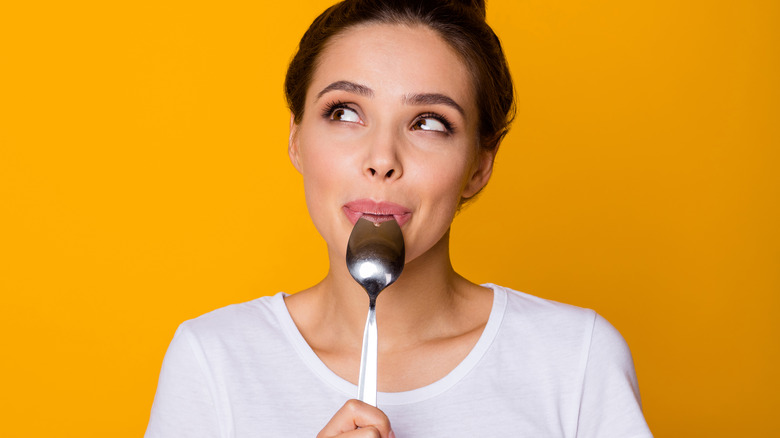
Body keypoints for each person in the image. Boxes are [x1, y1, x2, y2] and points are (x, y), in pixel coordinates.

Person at [145, 0, 653, 436]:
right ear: (296, 139)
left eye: (429, 122)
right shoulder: (212, 361)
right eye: (344, 112)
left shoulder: (575, 360)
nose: (382, 157)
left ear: (478, 165)